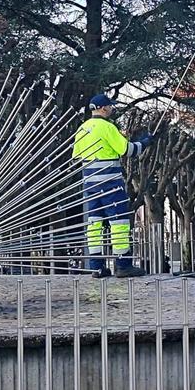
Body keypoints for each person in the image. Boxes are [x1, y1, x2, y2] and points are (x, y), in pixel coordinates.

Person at [73, 92, 153, 279]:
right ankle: (123, 265)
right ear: (103, 108)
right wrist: (145, 142)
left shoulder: (82, 129)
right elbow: (128, 150)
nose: (111, 108)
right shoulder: (107, 127)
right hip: (110, 183)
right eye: (109, 106)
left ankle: (97, 267)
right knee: (119, 223)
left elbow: (77, 156)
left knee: (94, 224)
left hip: (90, 184)